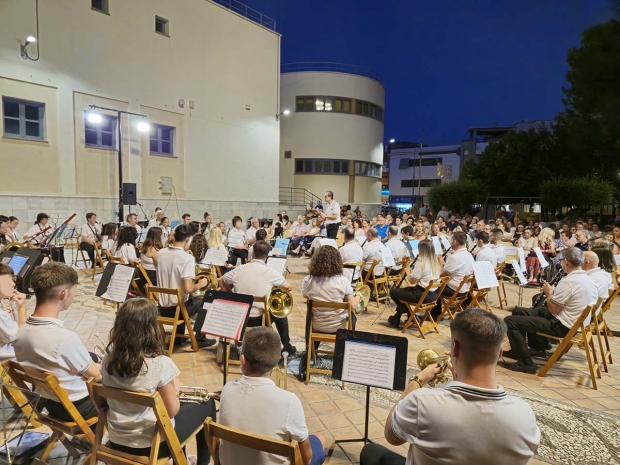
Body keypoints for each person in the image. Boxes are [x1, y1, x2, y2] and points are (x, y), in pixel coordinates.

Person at [362, 308, 540, 465]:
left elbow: (391, 435)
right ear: (500, 353)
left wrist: (417, 380)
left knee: (370, 452)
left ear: (454, 348)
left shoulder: (422, 402)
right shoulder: (525, 414)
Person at [103, 299, 216, 465]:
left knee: (182, 407)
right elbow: (171, 411)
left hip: (117, 439)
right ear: (151, 328)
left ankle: (182, 459)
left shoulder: (108, 359)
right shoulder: (160, 363)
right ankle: (202, 463)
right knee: (207, 403)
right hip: (152, 445)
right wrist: (176, 390)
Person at [219, 327, 326, 465]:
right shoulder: (290, 402)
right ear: (276, 361)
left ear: (243, 359)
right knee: (320, 439)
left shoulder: (227, 390)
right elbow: (307, 459)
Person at [14, 263, 102, 422]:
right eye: (74, 290)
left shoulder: (21, 331)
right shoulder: (65, 338)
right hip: (79, 407)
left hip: (50, 403)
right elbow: (97, 377)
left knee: (92, 358)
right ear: (63, 294)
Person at [503, 247, 598, 373]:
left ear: (567, 262)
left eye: (562, 261)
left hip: (562, 326)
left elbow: (553, 309)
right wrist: (553, 293)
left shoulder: (569, 281)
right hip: (574, 324)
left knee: (510, 321)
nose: (561, 264)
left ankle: (526, 363)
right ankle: (528, 349)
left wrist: (549, 293)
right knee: (519, 311)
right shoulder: (587, 279)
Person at [219, 241, 296, 355]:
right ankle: (286, 346)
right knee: (281, 314)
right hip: (261, 319)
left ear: (253, 253)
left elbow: (221, 281)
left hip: (240, 317)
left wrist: (229, 293)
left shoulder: (239, 269)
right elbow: (289, 287)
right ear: (267, 255)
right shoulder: (271, 272)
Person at [156, 224, 216, 349]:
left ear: (173, 236)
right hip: (177, 310)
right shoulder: (187, 258)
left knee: (184, 298)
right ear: (188, 240)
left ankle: (178, 338)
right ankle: (200, 338)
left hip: (161, 308)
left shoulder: (161, 253)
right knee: (207, 299)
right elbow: (187, 288)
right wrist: (201, 284)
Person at [301, 246, 360, 334]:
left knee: (310, 313)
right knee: (353, 317)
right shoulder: (343, 281)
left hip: (317, 325)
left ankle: (310, 346)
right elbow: (352, 306)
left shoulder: (308, 280)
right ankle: (346, 344)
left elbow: (305, 295)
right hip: (338, 327)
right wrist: (359, 295)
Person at [388, 240, 440, 328]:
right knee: (403, 292)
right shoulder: (435, 263)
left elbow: (412, 281)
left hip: (421, 295)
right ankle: (397, 317)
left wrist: (408, 272)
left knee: (393, 292)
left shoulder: (421, 263)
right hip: (432, 295)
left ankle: (411, 315)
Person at [430, 232, 475, 320]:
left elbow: (443, 275)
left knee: (432, 287)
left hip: (454, 290)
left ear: (455, 242)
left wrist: (440, 262)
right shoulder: (469, 255)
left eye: (451, 241)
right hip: (465, 289)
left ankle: (435, 314)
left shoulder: (454, 257)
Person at [0, 264, 27, 361]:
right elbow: (21, 336)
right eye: (7, 281)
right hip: (7, 361)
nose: (13, 284)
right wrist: (21, 306)